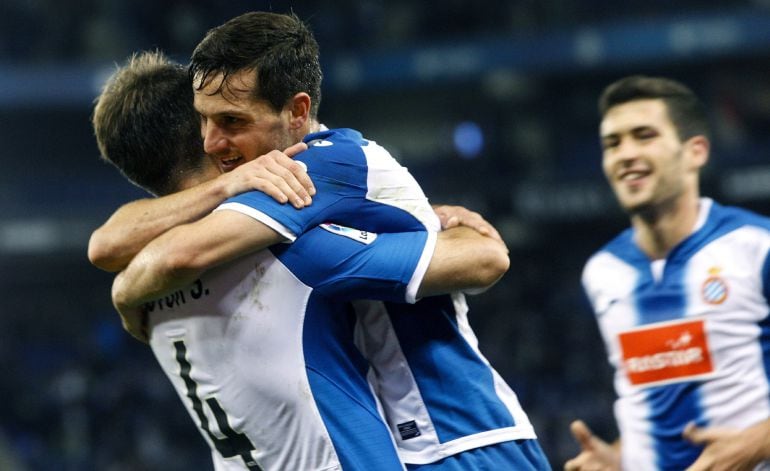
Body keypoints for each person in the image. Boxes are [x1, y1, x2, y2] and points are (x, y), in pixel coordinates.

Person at [95, 11, 550, 470]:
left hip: (462, 437)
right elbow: (136, 247)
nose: (214, 140)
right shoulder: (278, 234)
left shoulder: (313, 171)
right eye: (205, 121)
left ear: (296, 110)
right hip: (422, 442)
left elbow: (131, 249)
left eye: (231, 121)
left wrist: (126, 291)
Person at [565, 75, 770, 471]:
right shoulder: (602, 272)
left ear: (695, 151)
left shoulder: (757, 246)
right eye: (613, 143)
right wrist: (618, 457)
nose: (625, 153)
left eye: (644, 136)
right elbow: (650, 401)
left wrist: (758, 442)